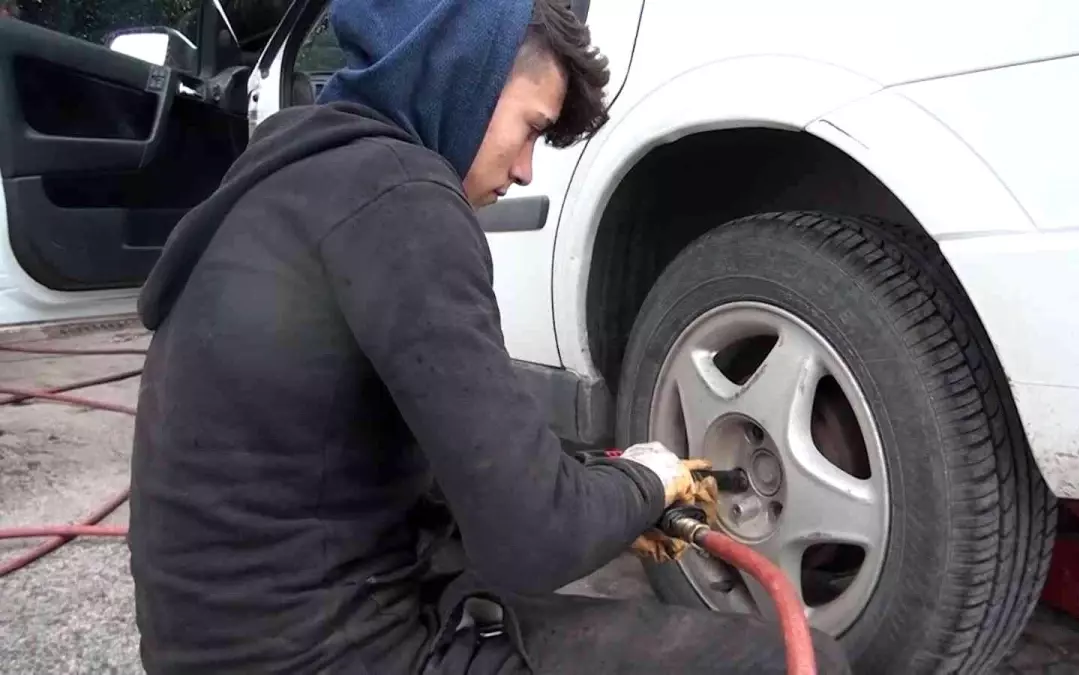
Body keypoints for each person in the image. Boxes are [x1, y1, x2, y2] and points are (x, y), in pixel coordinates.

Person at [128, 0, 850, 673]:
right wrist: (646, 481)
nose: (525, 169)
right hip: (336, 653)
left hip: (218, 642)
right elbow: (532, 539)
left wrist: (602, 488)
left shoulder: (297, 180)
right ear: (462, 73)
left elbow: (456, 460)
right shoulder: (402, 199)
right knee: (799, 657)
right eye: (532, 128)